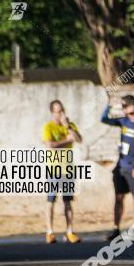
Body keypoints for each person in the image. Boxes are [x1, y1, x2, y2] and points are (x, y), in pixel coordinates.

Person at [101, 95, 134, 240]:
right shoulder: (123, 121)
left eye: (132, 112)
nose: (130, 115)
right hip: (121, 165)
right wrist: (109, 105)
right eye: (126, 111)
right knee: (118, 197)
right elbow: (104, 119)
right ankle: (115, 228)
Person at [41, 100, 83, 244]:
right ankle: (50, 232)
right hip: (53, 169)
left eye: (62, 111)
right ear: (52, 112)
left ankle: (70, 231)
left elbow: (79, 139)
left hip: (68, 169)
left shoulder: (70, 125)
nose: (60, 114)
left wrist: (68, 128)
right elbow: (50, 145)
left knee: (68, 202)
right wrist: (67, 140)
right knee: (50, 201)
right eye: (57, 111)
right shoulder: (48, 127)